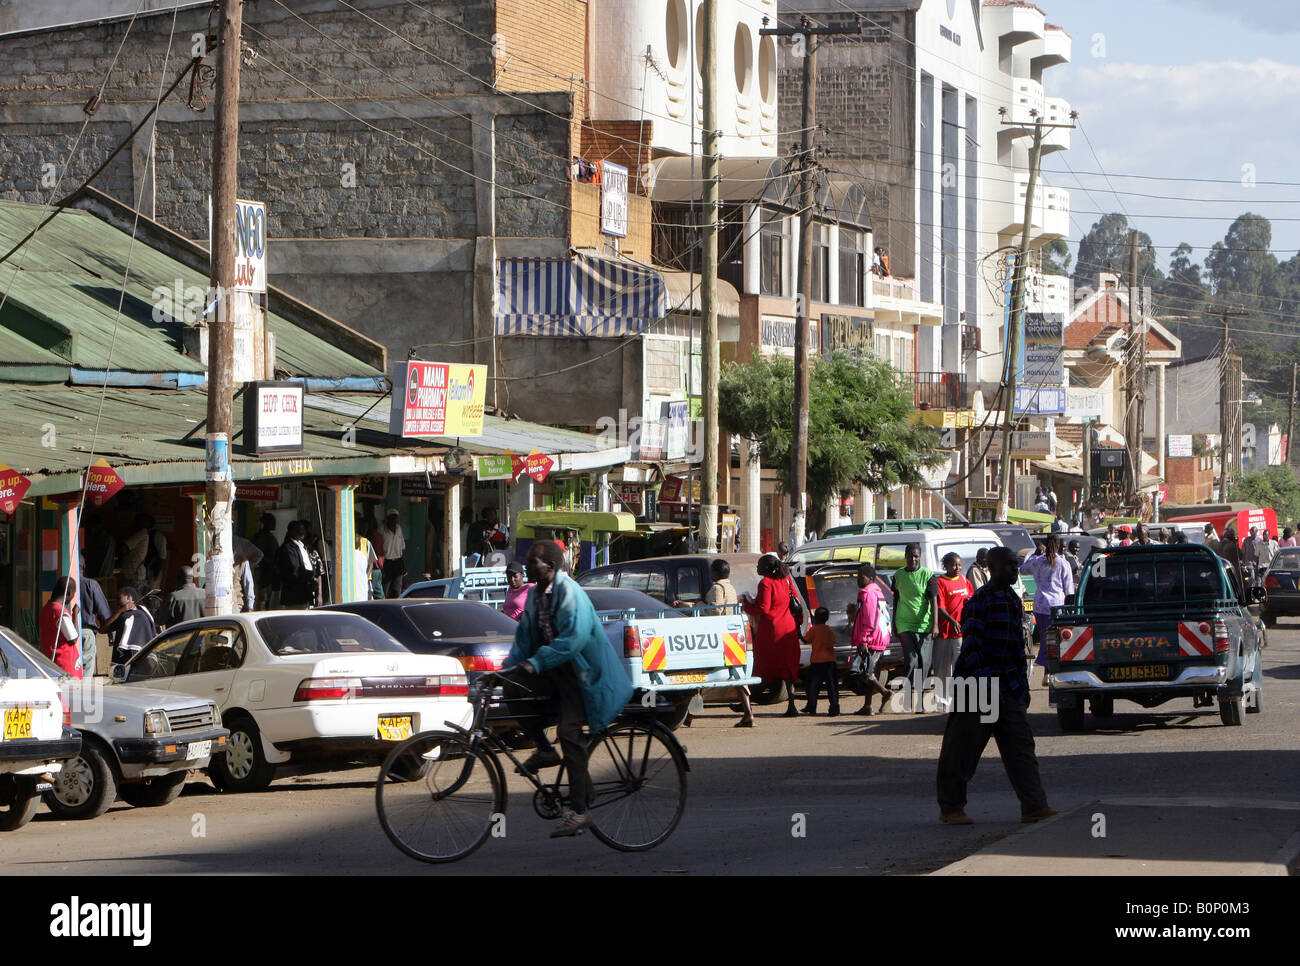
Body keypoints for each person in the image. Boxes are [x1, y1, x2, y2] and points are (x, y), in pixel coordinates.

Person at [506, 540, 634, 838]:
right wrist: (507, 670)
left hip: (583, 674)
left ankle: (580, 811)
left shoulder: (569, 592)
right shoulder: (537, 595)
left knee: (569, 732)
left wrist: (536, 662)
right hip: (556, 672)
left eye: (534, 561)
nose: (527, 565)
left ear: (549, 565)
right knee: (513, 690)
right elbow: (524, 638)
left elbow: (573, 639)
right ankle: (544, 750)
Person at [936, 546, 1055, 825]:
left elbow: (1015, 650)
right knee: (962, 749)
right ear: (992, 568)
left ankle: (1034, 805)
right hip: (978, 688)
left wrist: (1021, 689)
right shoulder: (980, 601)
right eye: (1009, 566)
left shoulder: (1013, 600)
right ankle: (951, 807)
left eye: (1016, 566)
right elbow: (973, 647)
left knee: (1021, 749)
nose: (1014, 571)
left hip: (1008, 687)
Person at [741, 553, 801, 720]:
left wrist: (746, 605)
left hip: (771, 630)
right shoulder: (786, 580)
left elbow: (763, 608)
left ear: (766, 568)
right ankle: (792, 704)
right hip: (788, 627)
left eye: (759, 565)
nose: (757, 568)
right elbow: (794, 600)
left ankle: (747, 702)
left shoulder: (765, 583)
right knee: (787, 667)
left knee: (762, 665)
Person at [1020, 534, 1074, 680]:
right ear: (1058, 546)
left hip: (1040, 606)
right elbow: (1069, 590)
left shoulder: (1037, 561)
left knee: (1045, 638)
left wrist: (1035, 554)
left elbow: (1023, 570)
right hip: (1057, 606)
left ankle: (1047, 671)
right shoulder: (1063, 563)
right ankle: (1050, 671)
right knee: (1055, 639)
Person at [893, 543, 936, 707]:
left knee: (924, 661)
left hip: (924, 625)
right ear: (905, 557)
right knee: (911, 659)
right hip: (904, 623)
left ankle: (922, 697)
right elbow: (896, 599)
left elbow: (934, 601)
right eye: (910, 556)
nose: (913, 559)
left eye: (916, 556)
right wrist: (894, 622)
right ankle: (909, 691)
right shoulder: (899, 575)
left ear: (920, 557)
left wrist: (935, 625)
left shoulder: (927, 575)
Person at [847, 562, 893, 715]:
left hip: (873, 638)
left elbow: (870, 619)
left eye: (862, 577)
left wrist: (864, 639)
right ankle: (867, 706)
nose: (858, 580)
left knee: (863, 672)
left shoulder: (869, 594)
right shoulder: (876, 592)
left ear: (871, 578)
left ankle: (885, 693)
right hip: (879, 637)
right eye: (858, 576)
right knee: (869, 670)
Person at [933, 552, 973, 712]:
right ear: (946, 566)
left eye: (959, 565)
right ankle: (942, 702)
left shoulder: (964, 580)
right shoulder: (940, 582)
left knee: (961, 667)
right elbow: (940, 607)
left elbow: (971, 600)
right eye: (954, 565)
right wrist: (952, 621)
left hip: (961, 634)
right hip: (944, 632)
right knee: (942, 668)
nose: (957, 568)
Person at [39, 576, 83, 678]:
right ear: (68, 593)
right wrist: (75, 614)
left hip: (50, 660)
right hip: (64, 664)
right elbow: (73, 638)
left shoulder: (46, 608)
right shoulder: (59, 611)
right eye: (73, 594)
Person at [799, 607, 839, 716]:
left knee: (812, 685)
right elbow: (833, 642)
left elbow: (806, 640)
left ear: (815, 618)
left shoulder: (814, 629)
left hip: (817, 661)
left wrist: (799, 633)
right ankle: (834, 708)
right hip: (830, 661)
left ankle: (812, 706)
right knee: (832, 686)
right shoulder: (829, 630)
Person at [77, 556, 111, 677]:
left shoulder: (65, 583)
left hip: (66, 631)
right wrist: (109, 633)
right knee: (86, 671)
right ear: (84, 567)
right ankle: (83, 694)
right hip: (86, 631)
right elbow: (104, 612)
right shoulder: (91, 584)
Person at [107, 586, 157, 665]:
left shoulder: (134, 615)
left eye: (119, 598)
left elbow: (104, 629)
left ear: (130, 598)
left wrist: (120, 611)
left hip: (132, 656)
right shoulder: (126, 614)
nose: (117, 602)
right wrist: (120, 611)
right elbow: (103, 629)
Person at [276, 521, 317, 609]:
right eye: (298, 529)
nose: (302, 532)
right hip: (295, 595)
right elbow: (295, 571)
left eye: (303, 529)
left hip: (304, 593)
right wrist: (311, 575)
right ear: (291, 531)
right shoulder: (288, 548)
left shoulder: (301, 546)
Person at [251, 513, 280, 608]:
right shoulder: (261, 537)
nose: (274, 524)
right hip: (263, 572)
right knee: (262, 599)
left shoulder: (269, 536)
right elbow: (259, 555)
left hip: (269, 572)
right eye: (272, 521)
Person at [380, 509, 407, 598]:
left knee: (397, 589)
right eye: (391, 517)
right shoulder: (382, 530)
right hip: (387, 562)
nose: (393, 520)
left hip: (398, 562)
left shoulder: (399, 528)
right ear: (387, 519)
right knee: (385, 588)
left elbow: (402, 547)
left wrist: (403, 565)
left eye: (395, 517)